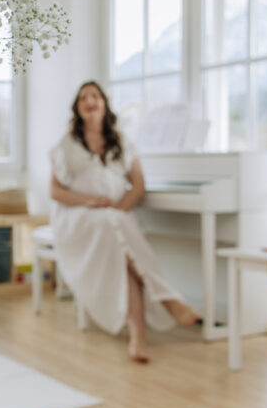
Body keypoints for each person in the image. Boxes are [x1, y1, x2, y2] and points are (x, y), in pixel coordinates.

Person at [49, 81, 199, 363]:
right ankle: (168, 300)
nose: (90, 101)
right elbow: (55, 192)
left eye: (95, 96)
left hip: (113, 216)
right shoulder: (66, 145)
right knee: (113, 226)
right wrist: (90, 201)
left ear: (104, 103)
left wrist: (119, 209)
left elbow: (138, 185)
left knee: (118, 240)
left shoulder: (123, 142)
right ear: (77, 108)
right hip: (76, 217)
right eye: (83, 97)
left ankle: (138, 336)